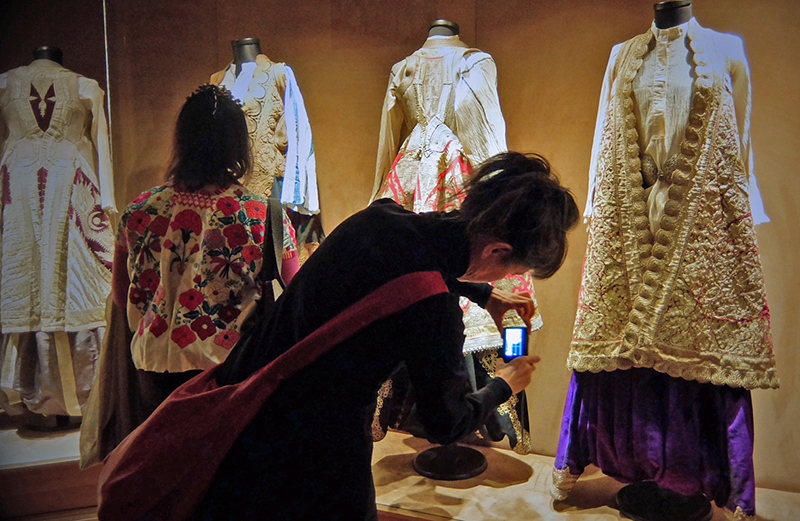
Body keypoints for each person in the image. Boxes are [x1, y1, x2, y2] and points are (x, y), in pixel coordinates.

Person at [185, 151, 579, 520]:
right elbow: (445, 422)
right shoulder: (435, 310)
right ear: (496, 250)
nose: (503, 279)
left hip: (245, 394)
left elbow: (415, 254)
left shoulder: (381, 217)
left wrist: (485, 293)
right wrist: (503, 384)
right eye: (508, 271)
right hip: (312, 449)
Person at [111, 84, 299, 418]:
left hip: (153, 368)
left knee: (165, 462)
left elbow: (120, 294)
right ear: (238, 145)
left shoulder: (139, 210)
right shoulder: (262, 214)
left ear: (181, 141)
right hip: (230, 370)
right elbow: (293, 295)